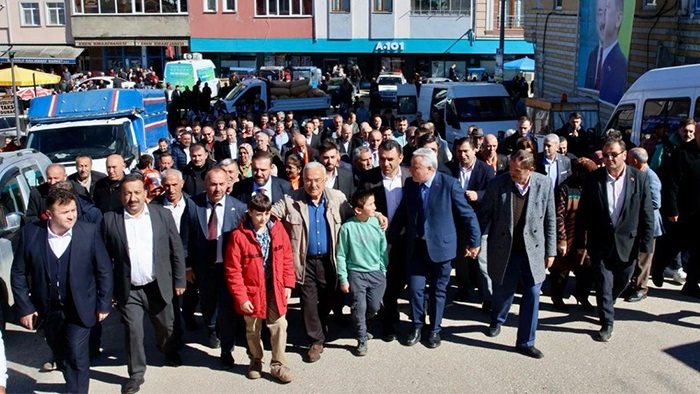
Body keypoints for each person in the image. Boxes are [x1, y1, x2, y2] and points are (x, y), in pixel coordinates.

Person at [11, 188, 112, 393]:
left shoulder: (89, 232)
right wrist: (25, 307)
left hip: (81, 307)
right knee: (61, 353)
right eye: (65, 212)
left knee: (76, 353)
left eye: (74, 210)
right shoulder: (31, 234)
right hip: (49, 309)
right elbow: (18, 273)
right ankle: (71, 381)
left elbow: (104, 270)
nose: (71, 215)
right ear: (49, 214)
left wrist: (104, 303)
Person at [388, 148, 480, 349]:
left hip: (441, 248)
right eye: (411, 166)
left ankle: (435, 329)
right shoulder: (411, 184)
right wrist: (389, 240)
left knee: (438, 292)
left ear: (430, 168)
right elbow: (402, 213)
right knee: (415, 290)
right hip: (416, 249)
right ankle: (417, 325)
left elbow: (467, 215)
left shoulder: (449, 184)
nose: (410, 170)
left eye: (415, 167)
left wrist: (474, 242)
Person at [102, 174, 186, 394]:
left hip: (158, 284)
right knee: (134, 331)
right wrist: (108, 290)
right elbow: (103, 259)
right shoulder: (110, 220)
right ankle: (136, 374)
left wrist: (180, 279)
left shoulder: (162, 215)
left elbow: (175, 249)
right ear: (121, 196)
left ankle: (167, 350)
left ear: (146, 194)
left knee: (166, 326)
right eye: (128, 193)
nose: (133, 198)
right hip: (129, 290)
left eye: (137, 192)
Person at [270, 162, 355, 362]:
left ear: (325, 180)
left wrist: (375, 215)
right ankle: (315, 341)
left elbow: (354, 217)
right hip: (303, 261)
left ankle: (321, 322)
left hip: (329, 260)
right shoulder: (291, 199)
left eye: (317, 180)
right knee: (308, 301)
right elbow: (271, 213)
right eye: (308, 180)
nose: (313, 184)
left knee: (327, 298)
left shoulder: (338, 198)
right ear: (302, 180)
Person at [479, 149, 556, 359]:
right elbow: (484, 215)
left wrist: (551, 251)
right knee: (503, 291)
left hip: (534, 251)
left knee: (532, 294)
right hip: (506, 250)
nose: (511, 172)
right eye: (511, 168)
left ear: (530, 170)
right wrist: (474, 241)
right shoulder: (498, 185)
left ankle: (526, 341)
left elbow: (550, 218)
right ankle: (497, 319)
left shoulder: (544, 184)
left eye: (517, 170)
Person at [575, 138, 654, 341]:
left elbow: (646, 212)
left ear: (624, 155)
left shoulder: (639, 178)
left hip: (628, 242)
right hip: (600, 242)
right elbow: (584, 213)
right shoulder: (595, 179)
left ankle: (609, 301)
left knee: (621, 282)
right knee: (603, 284)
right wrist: (581, 243)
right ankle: (607, 322)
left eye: (614, 155)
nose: (609, 159)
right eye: (606, 155)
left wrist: (646, 245)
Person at [224, 193, 296, 383]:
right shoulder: (239, 236)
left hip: (275, 286)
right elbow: (233, 271)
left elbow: (287, 259)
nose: (263, 218)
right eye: (258, 214)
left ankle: (278, 363)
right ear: (249, 212)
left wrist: (288, 284)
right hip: (252, 291)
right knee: (253, 328)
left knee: (280, 324)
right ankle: (256, 360)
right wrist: (242, 297)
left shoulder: (278, 229)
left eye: (266, 213)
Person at [184, 168, 247, 368]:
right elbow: (185, 239)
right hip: (204, 268)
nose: (217, 188)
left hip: (228, 269)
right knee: (208, 304)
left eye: (221, 184)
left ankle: (226, 350)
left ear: (228, 184)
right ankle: (211, 327)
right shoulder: (193, 205)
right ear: (206, 185)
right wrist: (187, 266)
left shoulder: (238, 208)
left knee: (227, 310)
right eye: (213, 184)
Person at [360, 139, 410, 341]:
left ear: (400, 158)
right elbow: (361, 205)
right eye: (381, 159)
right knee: (386, 282)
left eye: (390, 159)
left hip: (407, 237)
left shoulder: (410, 177)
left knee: (403, 280)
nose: (386, 163)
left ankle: (392, 306)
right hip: (380, 240)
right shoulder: (368, 179)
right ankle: (387, 321)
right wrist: (375, 213)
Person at [336, 189, 388, 356]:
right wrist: (343, 278)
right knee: (360, 306)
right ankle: (361, 337)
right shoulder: (347, 228)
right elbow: (341, 254)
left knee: (373, 305)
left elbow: (382, 249)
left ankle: (365, 320)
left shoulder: (377, 223)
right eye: (371, 204)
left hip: (376, 272)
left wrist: (383, 268)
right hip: (356, 273)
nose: (375, 207)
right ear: (358, 210)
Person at [447, 137, 495, 305]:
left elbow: (492, 194)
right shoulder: (450, 169)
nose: (462, 155)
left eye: (466, 151)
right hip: (457, 221)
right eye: (459, 151)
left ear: (475, 150)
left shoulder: (486, 170)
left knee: (481, 261)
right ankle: (464, 289)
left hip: (479, 221)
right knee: (461, 259)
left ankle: (487, 297)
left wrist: (478, 195)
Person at [548, 158, 598, 311]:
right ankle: (557, 298)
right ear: (579, 173)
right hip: (569, 236)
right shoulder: (566, 188)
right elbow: (558, 215)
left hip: (585, 238)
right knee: (561, 271)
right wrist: (561, 239)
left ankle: (582, 296)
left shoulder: (592, 188)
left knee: (587, 270)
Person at [624, 147, 664, 302]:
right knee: (635, 256)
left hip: (648, 225)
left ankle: (641, 288)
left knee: (644, 258)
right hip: (636, 224)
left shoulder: (650, 176)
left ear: (634, 161)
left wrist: (634, 206)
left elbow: (655, 202)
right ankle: (633, 284)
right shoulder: (637, 174)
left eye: (628, 158)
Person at [584, 0, 627, 105]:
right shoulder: (593, 56)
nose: (601, 22)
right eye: (599, 13)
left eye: (606, 12)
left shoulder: (621, 63)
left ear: (618, 19)